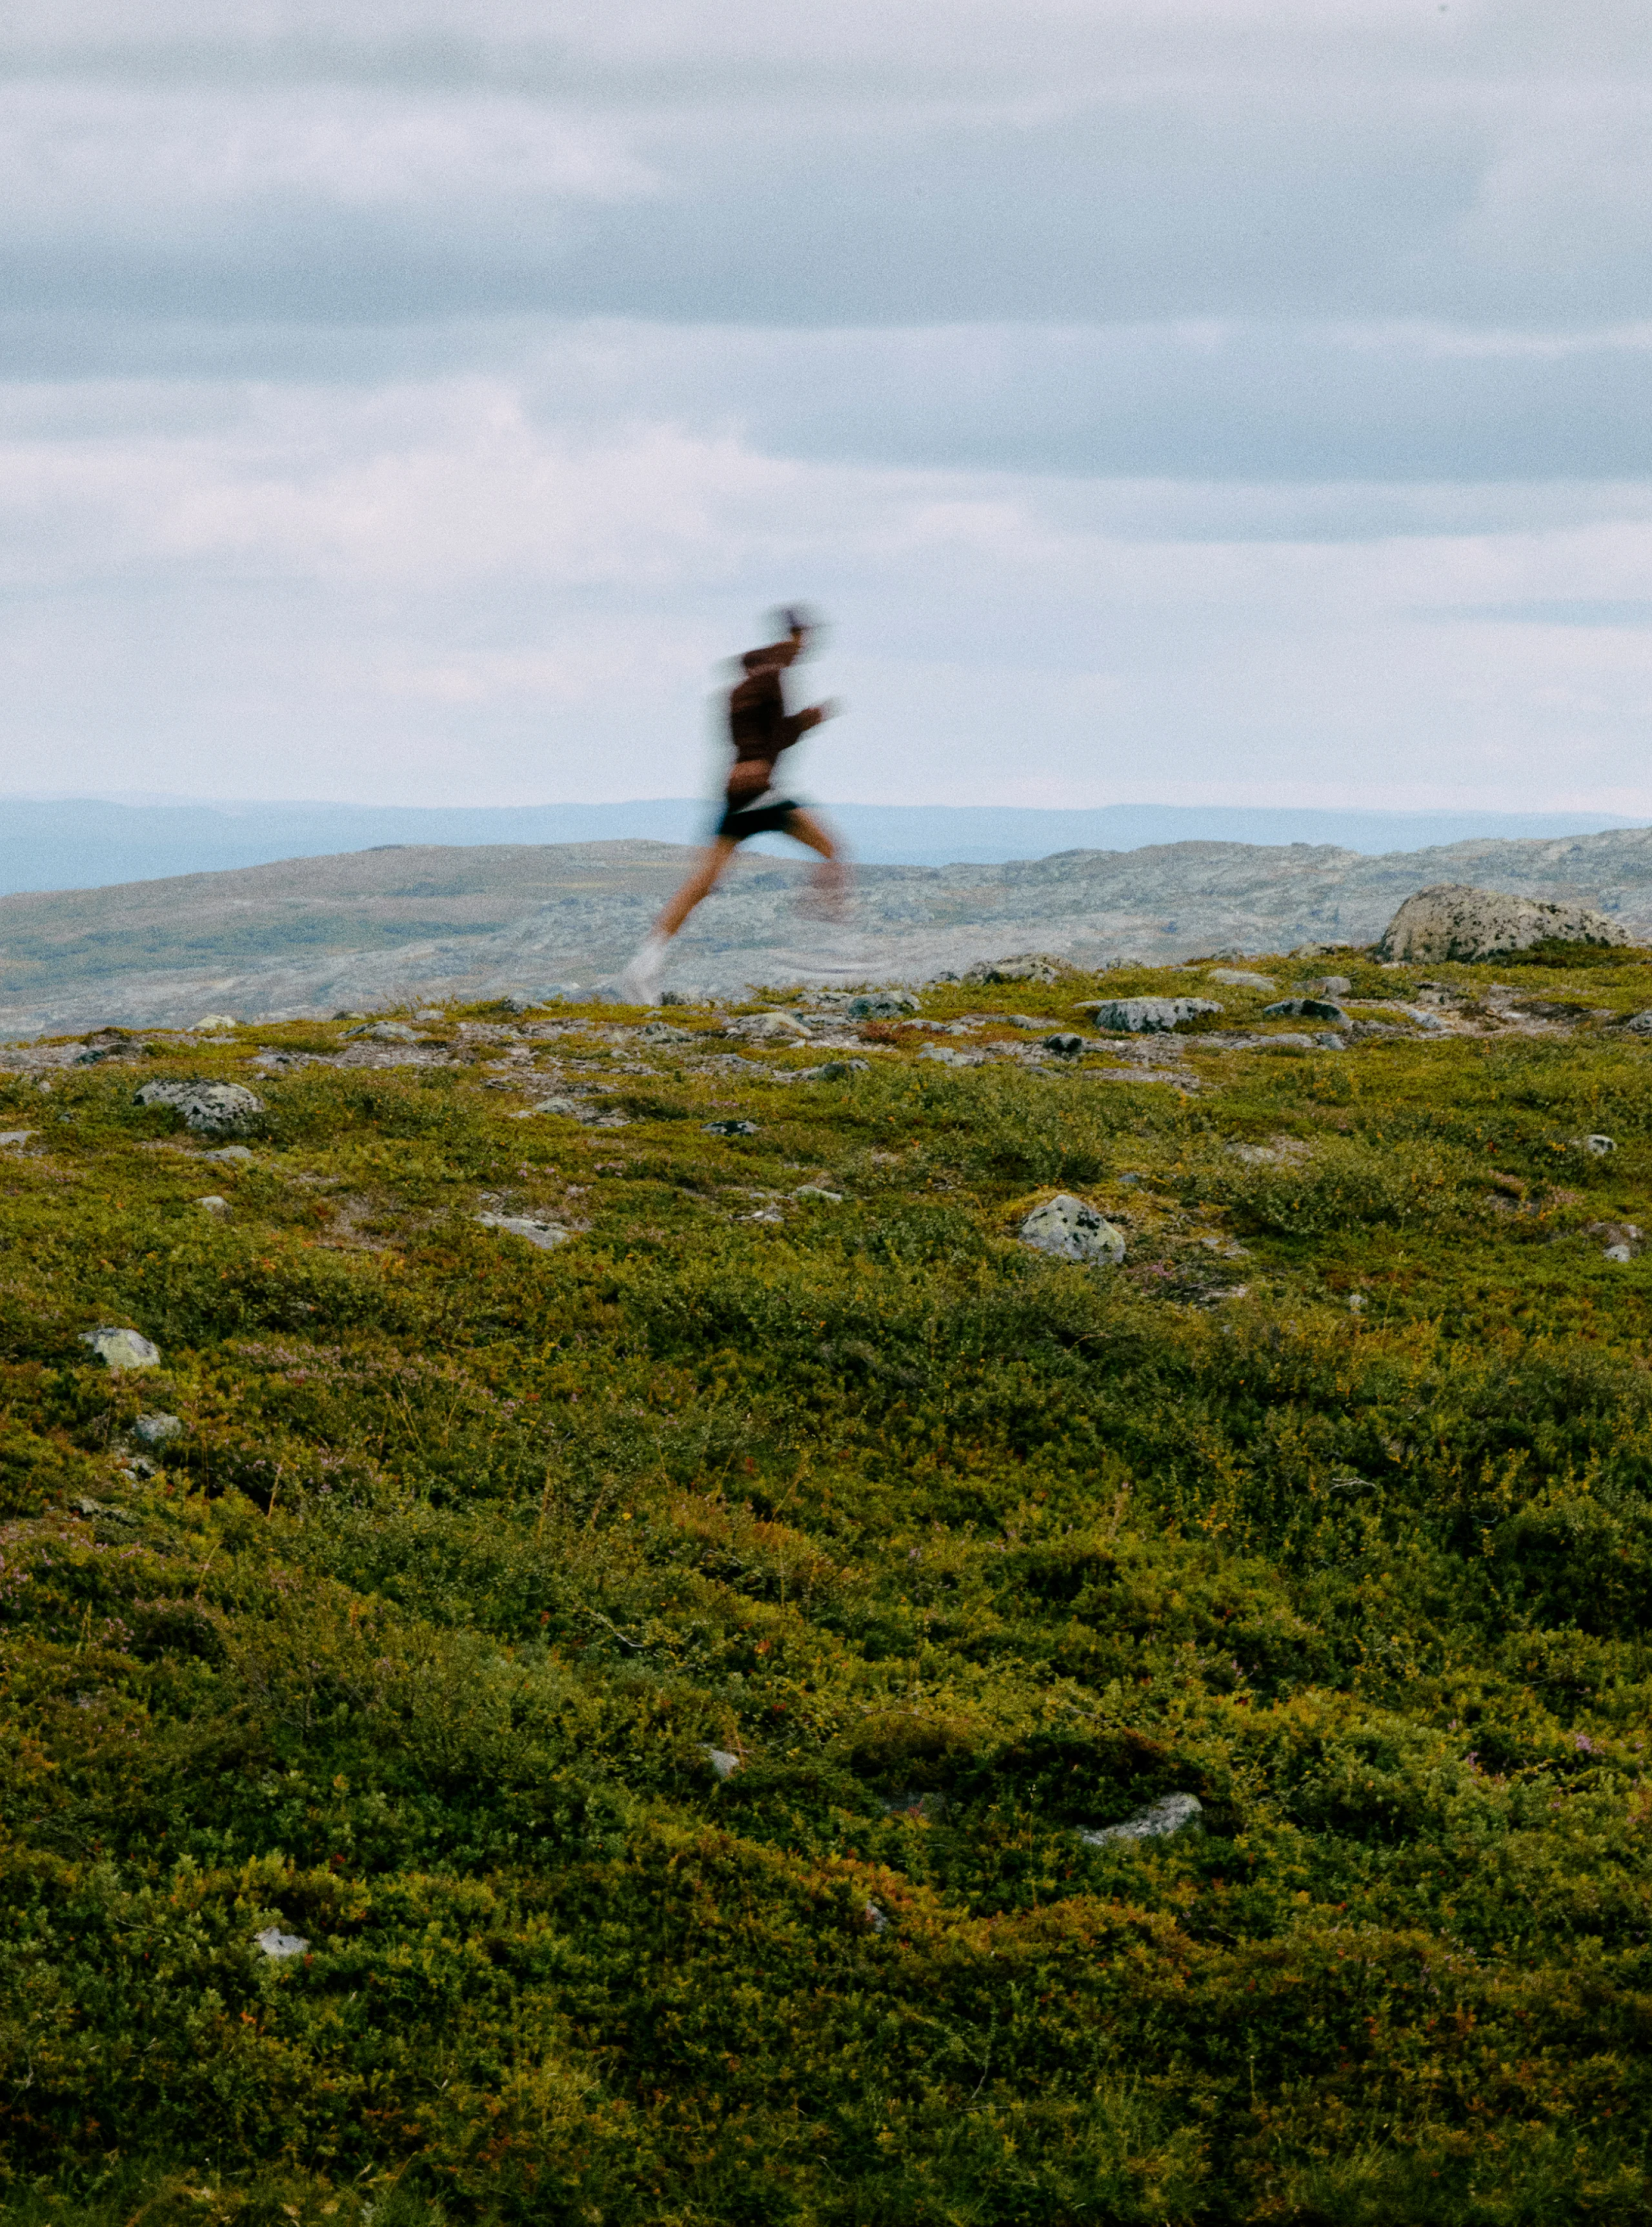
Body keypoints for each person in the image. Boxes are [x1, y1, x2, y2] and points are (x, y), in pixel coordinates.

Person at [618, 607, 844, 1005]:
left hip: (739, 793)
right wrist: (759, 752)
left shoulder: (762, 675)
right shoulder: (771, 674)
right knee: (831, 850)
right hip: (758, 790)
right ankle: (833, 944)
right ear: (795, 636)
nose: (806, 643)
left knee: (704, 882)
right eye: (804, 635)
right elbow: (759, 724)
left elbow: (761, 728)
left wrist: (795, 728)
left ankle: (643, 966)